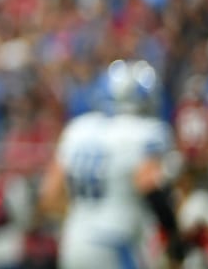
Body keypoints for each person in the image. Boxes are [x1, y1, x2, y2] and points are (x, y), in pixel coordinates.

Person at [40, 59, 187, 269]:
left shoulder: (78, 129)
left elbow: (49, 194)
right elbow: (150, 187)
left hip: (74, 241)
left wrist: (87, 214)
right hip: (117, 241)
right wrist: (173, 238)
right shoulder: (146, 132)